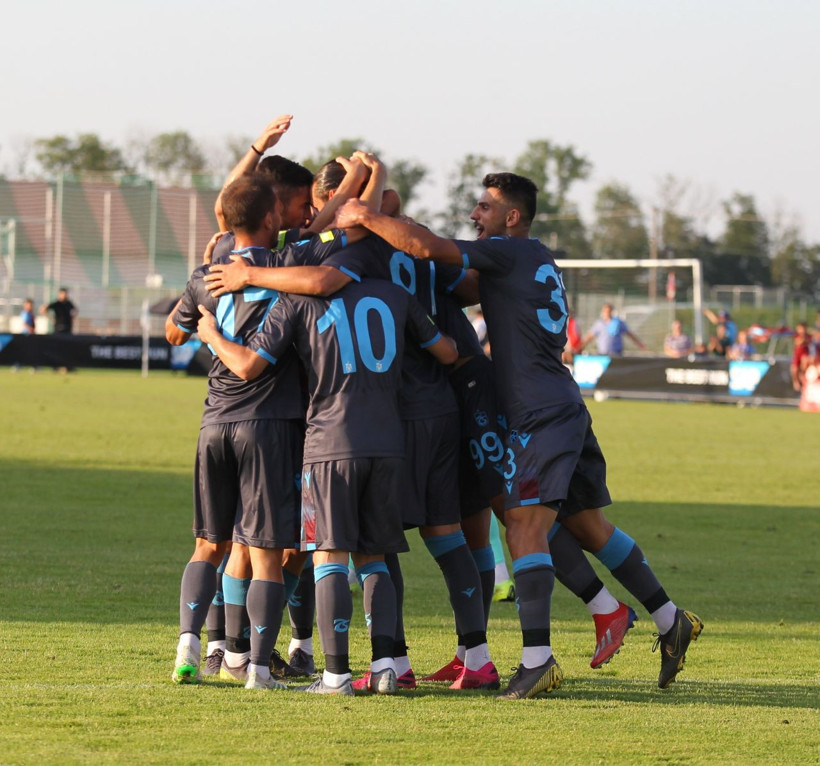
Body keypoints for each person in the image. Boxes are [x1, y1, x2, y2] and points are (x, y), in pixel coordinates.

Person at [335, 171, 703, 696]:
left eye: (484, 207)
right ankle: (669, 619)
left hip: (538, 415)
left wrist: (367, 217)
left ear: (511, 216)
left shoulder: (506, 251)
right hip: (562, 404)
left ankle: (538, 660)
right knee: (589, 527)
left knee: (522, 528)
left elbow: (431, 247)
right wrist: (406, 243)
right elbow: (441, 267)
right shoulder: (534, 258)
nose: (474, 215)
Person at [198, 263, 458, 696]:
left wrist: (211, 335)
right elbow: (448, 351)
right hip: (390, 441)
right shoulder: (395, 295)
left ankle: (336, 676)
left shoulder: (299, 299)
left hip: (331, 444)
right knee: (374, 557)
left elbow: (247, 364)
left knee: (328, 555)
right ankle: (385, 667)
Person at [165, 174, 347, 690]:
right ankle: (259, 670)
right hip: (268, 426)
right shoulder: (292, 264)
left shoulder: (205, 274)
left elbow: (174, 331)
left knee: (208, 543)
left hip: (212, 423)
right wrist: (359, 175)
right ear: (273, 219)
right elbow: (330, 226)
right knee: (267, 551)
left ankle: (190, 649)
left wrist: (206, 328)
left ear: (225, 221)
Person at [790, 322, 811, 392]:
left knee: (804, 363)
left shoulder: (808, 336)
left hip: (804, 355)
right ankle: (795, 382)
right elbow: (798, 342)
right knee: (794, 369)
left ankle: (802, 379)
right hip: (797, 356)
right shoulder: (797, 336)